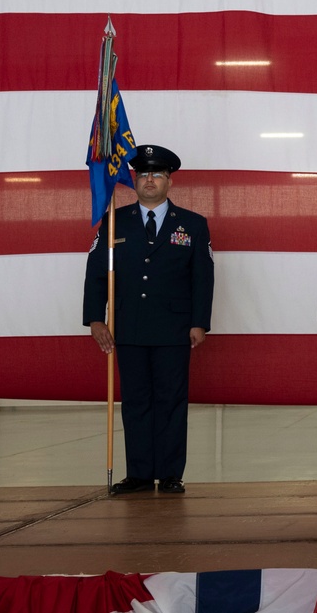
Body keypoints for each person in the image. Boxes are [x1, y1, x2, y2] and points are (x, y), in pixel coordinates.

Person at [83, 145, 215, 496]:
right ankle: (140, 473)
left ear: (169, 181)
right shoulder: (114, 222)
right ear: (134, 181)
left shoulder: (192, 224)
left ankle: (171, 473)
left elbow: (203, 277)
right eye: (143, 174)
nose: (150, 180)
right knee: (137, 401)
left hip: (174, 329)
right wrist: (96, 319)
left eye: (157, 174)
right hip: (129, 327)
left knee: (171, 401)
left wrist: (200, 321)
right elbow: (97, 273)